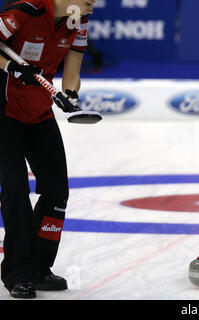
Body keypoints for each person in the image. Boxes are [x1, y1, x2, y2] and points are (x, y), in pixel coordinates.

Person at [0, 0, 96, 298]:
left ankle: (39, 267)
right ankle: (18, 273)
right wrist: (11, 67)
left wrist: (70, 94)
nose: (92, 5)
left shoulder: (77, 22)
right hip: (3, 112)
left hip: (38, 112)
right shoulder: (22, 13)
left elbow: (72, 70)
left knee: (57, 191)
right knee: (16, 189)